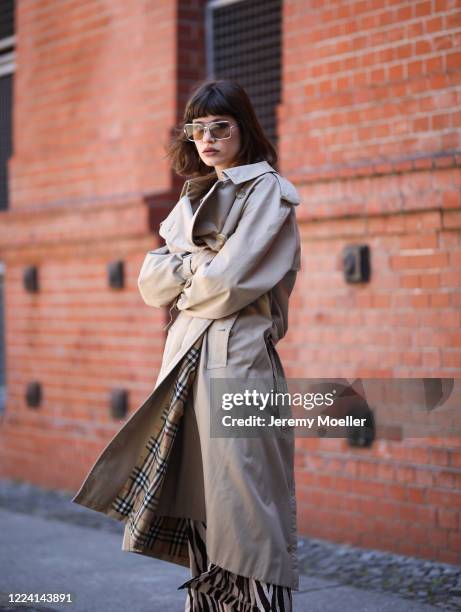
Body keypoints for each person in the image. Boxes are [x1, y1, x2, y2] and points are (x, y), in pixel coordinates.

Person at [71, 79, 301, 612]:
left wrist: (188, 271)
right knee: (200, 500)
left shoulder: (268, 190)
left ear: (245, 130)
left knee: (245, 502)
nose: (209, 138)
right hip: (185, 361)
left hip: (237, 365)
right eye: (199, 128)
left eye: (221, 127)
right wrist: (202, 264)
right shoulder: (194, 194)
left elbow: (225, 289)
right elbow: (151, 284)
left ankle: (254, 606)